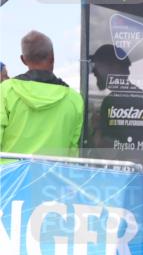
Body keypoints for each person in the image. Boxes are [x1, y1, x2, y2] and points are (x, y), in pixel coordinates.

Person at [0, 31, 83, 162]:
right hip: (54, 180)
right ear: (53, 58)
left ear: (23, 59)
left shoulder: (5, 91)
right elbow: (72, 151)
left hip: (10, 180)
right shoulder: (74, 99)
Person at [87, 43, 143, 163]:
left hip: (118, 176)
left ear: (114, 67)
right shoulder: (139, 96)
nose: (94, 70)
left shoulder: (113, 101)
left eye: (97, 64)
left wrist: (96, 128)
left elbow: (105, 150)